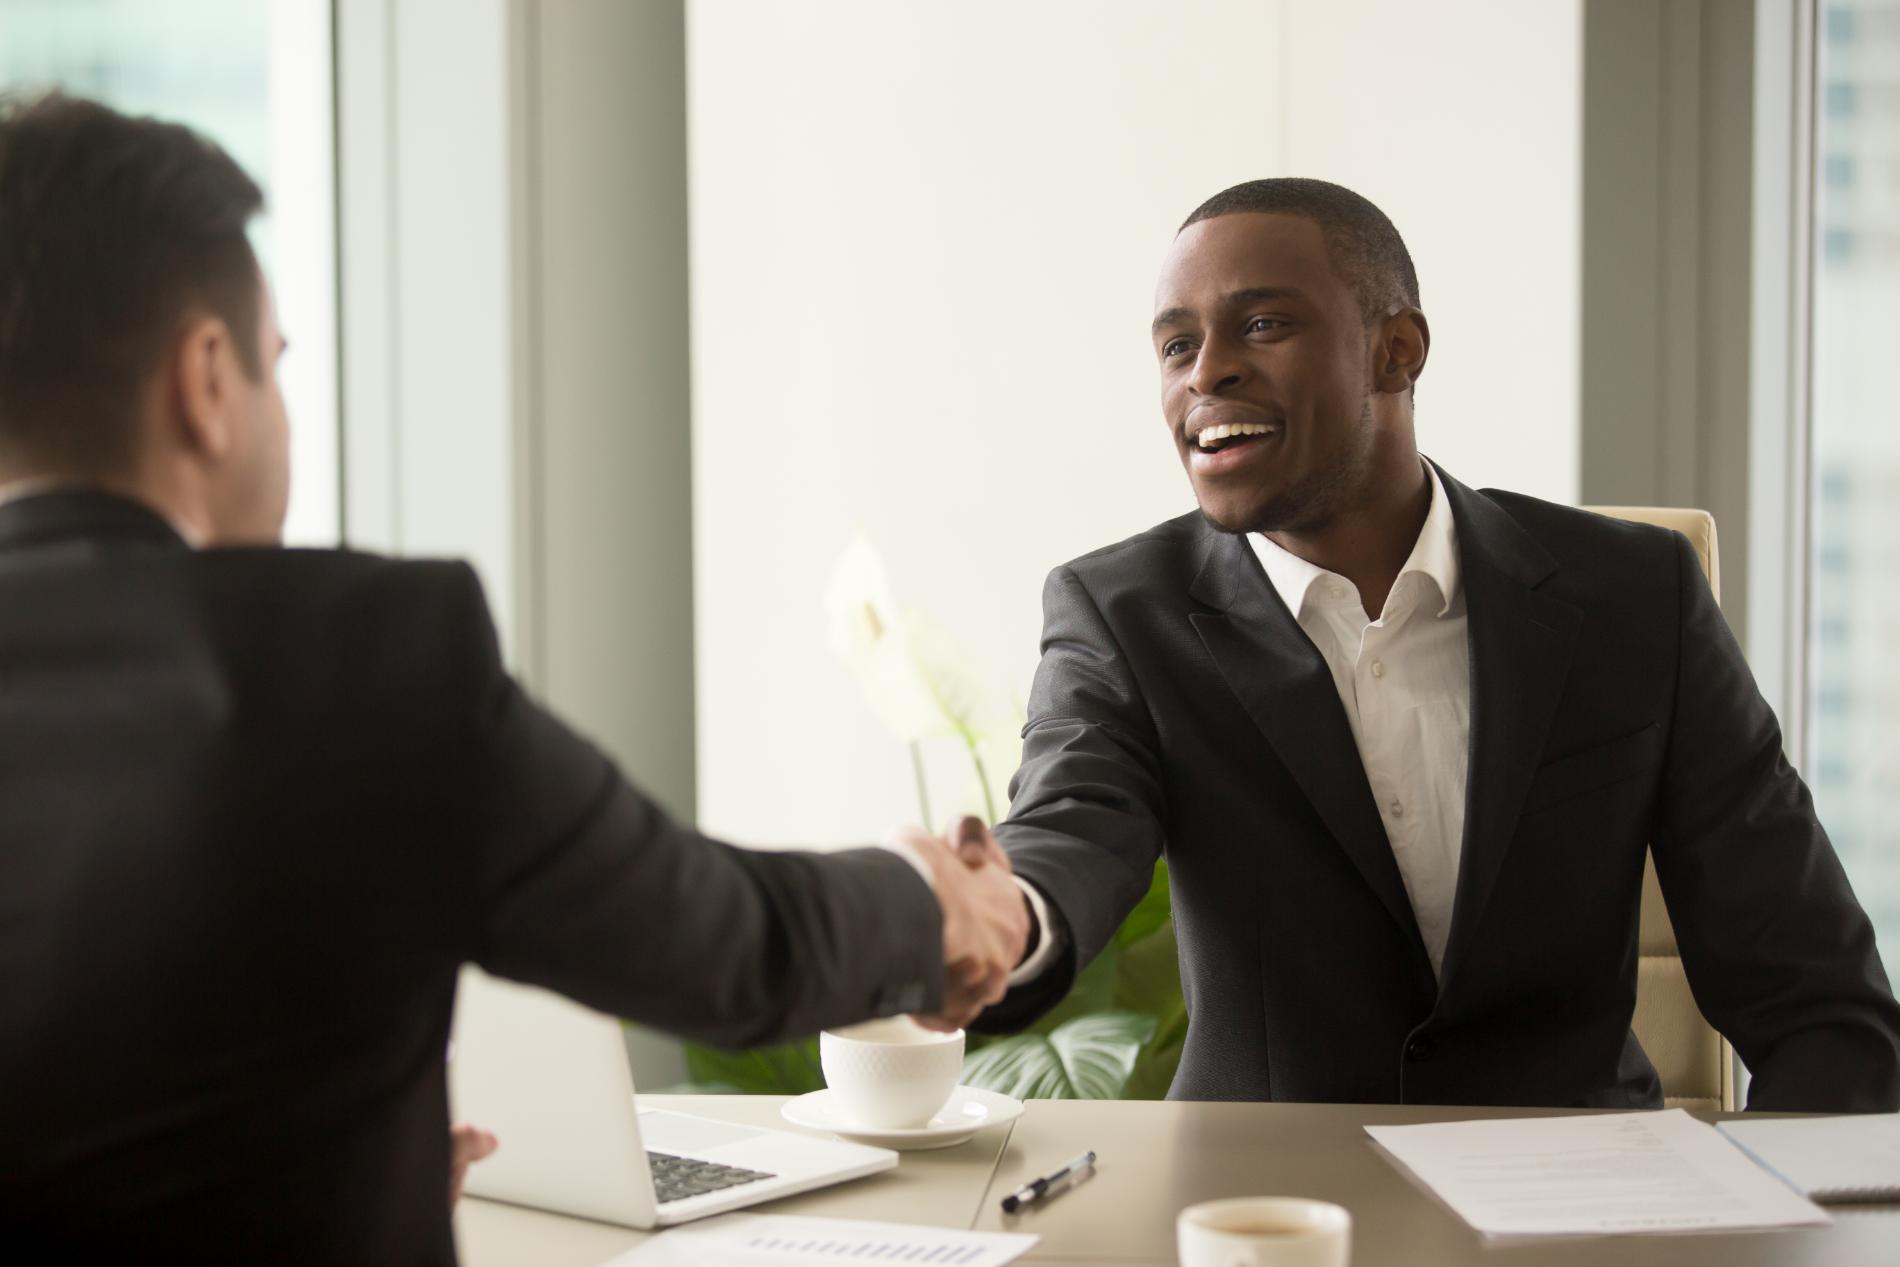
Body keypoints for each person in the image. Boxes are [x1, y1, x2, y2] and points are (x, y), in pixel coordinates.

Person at [0, 93, 1026, 1265]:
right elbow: (722, 941)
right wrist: (928, 895)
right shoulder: (360, 662)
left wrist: (355, 1172)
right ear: (207, 380)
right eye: (276, 371)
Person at [962, 177, 1900, 1112]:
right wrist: (994, 915)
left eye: (1261, 326)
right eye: (1177, 345)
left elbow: (1820, 1001)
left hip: (1581, 1209)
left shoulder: (1634, 598)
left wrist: (1776, 1220)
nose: (1206, 372)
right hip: (1266, 1217)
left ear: (1396, 351)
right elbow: (1071, 823)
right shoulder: (1121, 613)